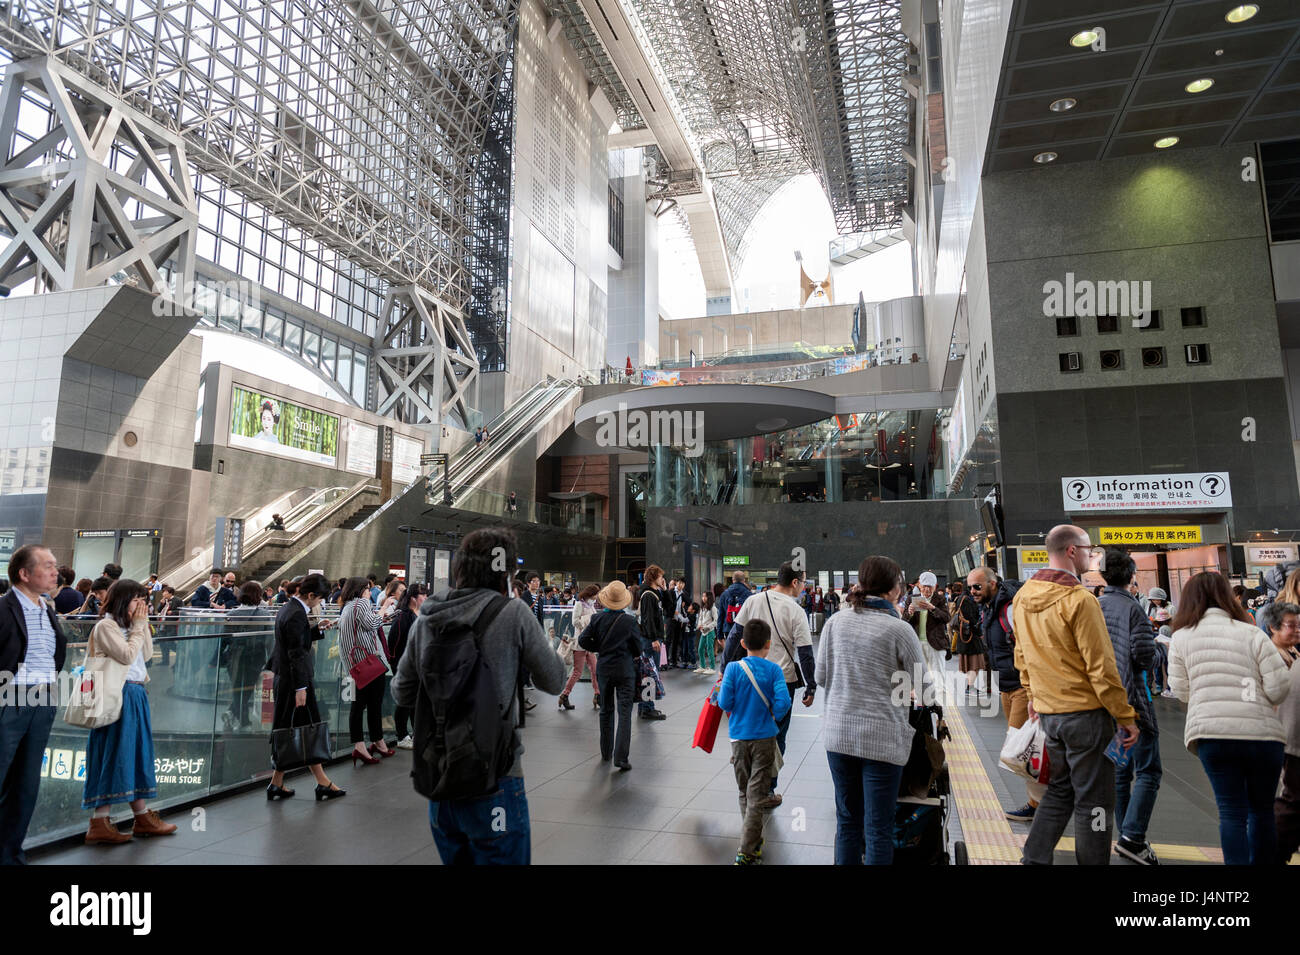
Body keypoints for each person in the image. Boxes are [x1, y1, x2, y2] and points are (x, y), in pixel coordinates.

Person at [392, 527, 565, 864]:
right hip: (495, 776)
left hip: (439, 779)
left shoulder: (427, 616)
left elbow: (401, 691)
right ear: (505, 574)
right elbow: (554, 681)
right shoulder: (512, 613)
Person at [1012, 525, 1139, 866]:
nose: (1092, 556)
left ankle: (1034, 859)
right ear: (1071, 551)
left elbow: (1021, 656)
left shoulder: (1023, 597)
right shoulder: (1080, 599)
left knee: (1059, 791)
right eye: (1089, 550)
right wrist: (1125, 716)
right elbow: (1101, 667)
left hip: (1050, 714)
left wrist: (1034, 697)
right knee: (1095, 803)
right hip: (1086, 715)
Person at [1168, 572, 1290, 865]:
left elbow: (1181, 690)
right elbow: (1278, 688)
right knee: (1261, 810)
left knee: (1231, 812)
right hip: (1262, 736)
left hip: (1213, 736)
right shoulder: (1251, 632)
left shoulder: (1181, 637)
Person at [816, 555, 923, 865]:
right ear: (892, 589)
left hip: (839, 737)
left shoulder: (836, 622)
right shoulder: (899, 629)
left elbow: (821, 677)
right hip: (883, 741)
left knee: (847, 823)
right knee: (878, 829)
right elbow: (924, 687)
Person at [81, 579, 179, 844]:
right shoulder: (106, 626)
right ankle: (101, 820)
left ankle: (140, 816)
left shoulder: (130, 625)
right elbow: (126, 656)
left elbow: (145, 654)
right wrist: (138, 626)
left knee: (135, 752)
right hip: (117, 693)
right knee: (114, 752)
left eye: (144, 600)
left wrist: (141, 626)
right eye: (137, 600)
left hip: (134, 692)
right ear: (123, 599)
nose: (142, 606)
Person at [724, 561, 816, 801]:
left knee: (751, 728)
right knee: (777, 736)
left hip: (749, 676)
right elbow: (805, 653)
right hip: (781, 681)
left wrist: (725, 669)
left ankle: (747, 779)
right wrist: (811, 686)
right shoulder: (796, 610)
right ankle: (766, 789)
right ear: (795, 582)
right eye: (803, 582)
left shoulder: (753, 600)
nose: (803, 588)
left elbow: (734, 637)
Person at [0, 545, 66, 864]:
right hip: (9, 697)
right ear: (24, 574)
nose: (56, 571)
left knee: (27, 784)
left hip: (43, 700)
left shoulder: (47, 609)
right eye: (48, 566)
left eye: (56, 566)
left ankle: (10, 854)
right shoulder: (3, 608)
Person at [1097, 549, 1162, 865]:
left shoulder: (1097, 605)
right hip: (1134, 700)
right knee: (1149, 770)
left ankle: (1126, 837)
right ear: (1132, 575)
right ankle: (1133, 837)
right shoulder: (1134, 608)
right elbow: (1144, 654)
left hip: (1107, 701)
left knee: (1121, 773)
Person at [967, 565, 1042, 821]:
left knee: (1021, 750)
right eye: (970, 588)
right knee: (1022, 748)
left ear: (992, 584)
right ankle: (1041, 800)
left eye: (977, 586)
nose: (973, 591)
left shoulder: (1010, 609)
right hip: (1007, 687)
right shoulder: (989, 609)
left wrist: (1033, 690)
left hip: (1023, 687)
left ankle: (1039, 803)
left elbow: (1029, 645)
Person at [718, 618, 791, 865]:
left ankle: (751, 843)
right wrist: (772, 716)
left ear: (742, 643)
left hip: (738, 739)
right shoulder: (774, 671)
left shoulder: (733, 669)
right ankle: (747, 850)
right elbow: (784, 702)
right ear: (768, 645)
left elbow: (724, 703)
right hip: (765, 740)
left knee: (744, 792)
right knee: (757, 793)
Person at [266, 573, 345, 802]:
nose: (320, 603)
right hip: (295, 681)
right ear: (311, 595)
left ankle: (278, 783)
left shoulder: (290, 608)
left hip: (288, 679)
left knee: (292, 727)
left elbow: (297, 642)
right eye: (319, 599)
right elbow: (296, 653)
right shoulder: (296, 615)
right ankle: (321, 783)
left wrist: (317, 629)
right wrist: (301, 688)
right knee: (303, 728)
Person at [577, 580, 641, 770]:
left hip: (604, 669)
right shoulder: (630, 621)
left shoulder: (597, 619)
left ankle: (606, 752)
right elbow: (637, 648)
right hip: (625, 670)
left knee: (606, 710)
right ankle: (621, 758)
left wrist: (601, 648)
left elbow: (582, 639)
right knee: (624, 713)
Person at [337, 576, 394, 764]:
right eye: (368, 589)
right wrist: (384, 608)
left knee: (358, 706)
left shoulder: (347, 606)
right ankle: (375, 742)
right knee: (374, 705)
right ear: (361, 590)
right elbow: (372, 624)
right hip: (368, 664)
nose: (370, 593)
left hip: (354, 666)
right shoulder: (360, 603)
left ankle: (362, 745)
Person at [1267, 601, 1300, 862]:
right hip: (1282, 733)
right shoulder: (1271, 656)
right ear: (1273, 628)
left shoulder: (1294, 655)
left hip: (1289, 732)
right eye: (1291, 625)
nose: (1297, 630)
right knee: (1290, 798)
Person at [224, 580, 272, 732]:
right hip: (255, 658)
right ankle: (242, 720)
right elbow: (269, 640)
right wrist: (271, 661)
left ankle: (235, 715)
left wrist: (216, 658)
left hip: (235, 657)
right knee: (247, 690)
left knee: (237, 688)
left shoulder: (231, 614)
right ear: (258, 595)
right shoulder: (264, 615)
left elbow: (224, 638)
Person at [388, 582, 429, 749]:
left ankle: (415, 733)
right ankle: (402, 735)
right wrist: (398, 665)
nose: (426, 598)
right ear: (413, 598)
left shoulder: (420, 615)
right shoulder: (403, 616)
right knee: (405, 701)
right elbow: (394, 643)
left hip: (419, 666)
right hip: (406, 666)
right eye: (423, 595)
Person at [903, 571, 950, 681]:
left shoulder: (940, 599)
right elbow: (904, 621)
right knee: (919, 677)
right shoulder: (911, 599)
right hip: (917, 642)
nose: (927, 590)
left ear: (935, 586)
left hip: (936, 643)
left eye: (930, 587)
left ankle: (939, 698)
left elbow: (947, 618)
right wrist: (909, 612)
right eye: (924, 586)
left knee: (939, 677)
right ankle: (920, 698)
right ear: (919, 585)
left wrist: (933, 608)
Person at [559, 584, 600, 711]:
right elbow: (574, 622)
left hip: (590, 643)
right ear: (590, 594)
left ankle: (597, 695)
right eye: (595, 594)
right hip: (580, 642)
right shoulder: (579, 605)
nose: (597, 597)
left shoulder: (591, 605)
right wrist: (589, 619)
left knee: (595, 670)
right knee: (577, 672)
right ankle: (564, 695)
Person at [637, 565, 667, 720]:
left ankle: (644, 707)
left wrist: (665, 589)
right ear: (654, 577)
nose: (663, 579)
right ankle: (647, 708)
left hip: (650, 638)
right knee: (649, 673)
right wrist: (654, 638)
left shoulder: (654, 593)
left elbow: (668, 606)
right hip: (650, 640)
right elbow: (648, 619)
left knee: (648, 672)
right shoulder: (649, 595)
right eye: (661, 576)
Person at [948, 580, 986, 692]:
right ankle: (970, 687)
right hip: (970, 636)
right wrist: (979, 633)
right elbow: (971, 619)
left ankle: (970, 686)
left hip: (964, 635)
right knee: (974, 663)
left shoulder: (961, 598)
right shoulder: (967, 600)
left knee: (971, 663)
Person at [694, 591, 717, 674]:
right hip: (703, 631)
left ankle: (712, 668)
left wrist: (707, 626)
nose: (703, 598)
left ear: (709, 597)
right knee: (700, 649)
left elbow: (716, 621)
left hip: (710, 631)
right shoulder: (702, 607)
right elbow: (700, 619)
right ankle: (703, 666)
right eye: (703, 596)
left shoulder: (713, 608)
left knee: (710, 649)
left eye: (705, 596)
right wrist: (699, 626)